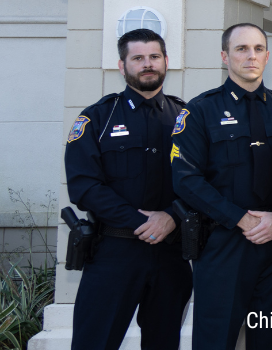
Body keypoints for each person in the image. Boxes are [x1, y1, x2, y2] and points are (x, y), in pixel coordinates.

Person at [171, 23, 272, 349]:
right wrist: (241, 219)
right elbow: (186, 179)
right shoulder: (200, 111)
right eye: (241, 49)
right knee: (215, 340)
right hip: (222, 244)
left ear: (267, 56)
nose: (251, 56)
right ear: (224, 56)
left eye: (258, 49)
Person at [64, 28, 192, 350]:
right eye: (138, 58)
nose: (147, 64)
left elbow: (204, 181)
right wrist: (143, 222)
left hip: (171, 254)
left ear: (166, 61)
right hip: (114, 253)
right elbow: (84, 186)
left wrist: (171, 217)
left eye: (154, 56)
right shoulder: (97, 118)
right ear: (122, 66)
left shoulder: (188, 118)